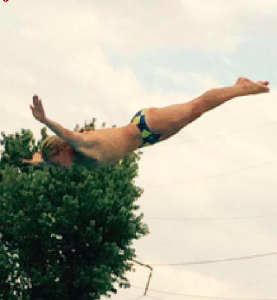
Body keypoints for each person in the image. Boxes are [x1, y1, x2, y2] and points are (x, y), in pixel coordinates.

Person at [23, 77, 270, 171]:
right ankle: (238, 88)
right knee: (197, 112)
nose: (57, 168)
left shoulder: (82, 144)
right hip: (150, 138)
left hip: (147, 126)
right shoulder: (70, 157)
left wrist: (44, 120)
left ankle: (241, 87)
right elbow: (45, 157)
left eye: (56, 163)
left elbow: (64, 134)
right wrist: (37, 159)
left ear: (61, 150)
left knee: (197, 107)